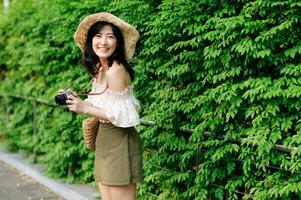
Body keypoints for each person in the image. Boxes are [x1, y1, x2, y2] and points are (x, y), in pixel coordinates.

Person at [65, 12, 142, 200]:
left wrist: (85, 108)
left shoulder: (115, 71)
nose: (103, 41)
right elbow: (104, 104)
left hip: (119, 140)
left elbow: (124, 115)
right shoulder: (101, 69)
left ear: (118, 42)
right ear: (91, 41)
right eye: (98, 36)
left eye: (110, 36)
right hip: (104, 139)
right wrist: (77, 100)